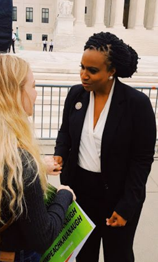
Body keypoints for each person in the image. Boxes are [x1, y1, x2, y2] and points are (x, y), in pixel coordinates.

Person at [0, 55, 76, 262]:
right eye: (33, 86)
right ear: (14, 94)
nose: (36, 94)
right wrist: (64, 197)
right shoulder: (20, 162)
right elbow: (43, 237)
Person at [54, 32, 156, 262]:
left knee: (118, 254)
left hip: (118, 196)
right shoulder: (76, 94)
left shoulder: (136, 104)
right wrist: (60, 154)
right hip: (81, 192)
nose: (84, 75)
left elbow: (142, 160)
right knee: (84, 254)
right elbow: (65, 132)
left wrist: (127, 206)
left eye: (92, 70)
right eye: (82, 67)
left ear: (112, 71)